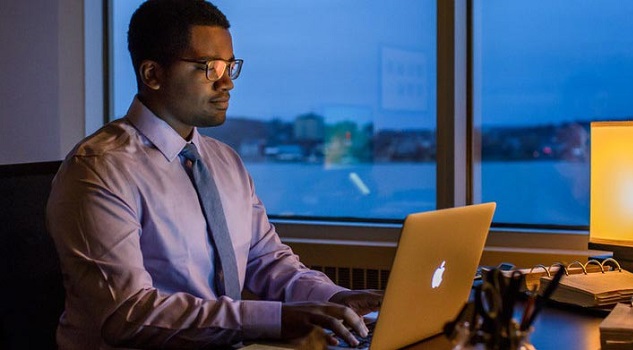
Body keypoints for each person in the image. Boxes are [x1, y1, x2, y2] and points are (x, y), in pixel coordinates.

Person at [46, 1, 382, 348]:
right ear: (153, 75)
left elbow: (266, 261)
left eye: (230, 66)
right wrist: (276, 320)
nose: (227, 84)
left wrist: (335, 298)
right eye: (210, 67)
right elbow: (126, 314)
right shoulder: (99, 169)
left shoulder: (225, 162)